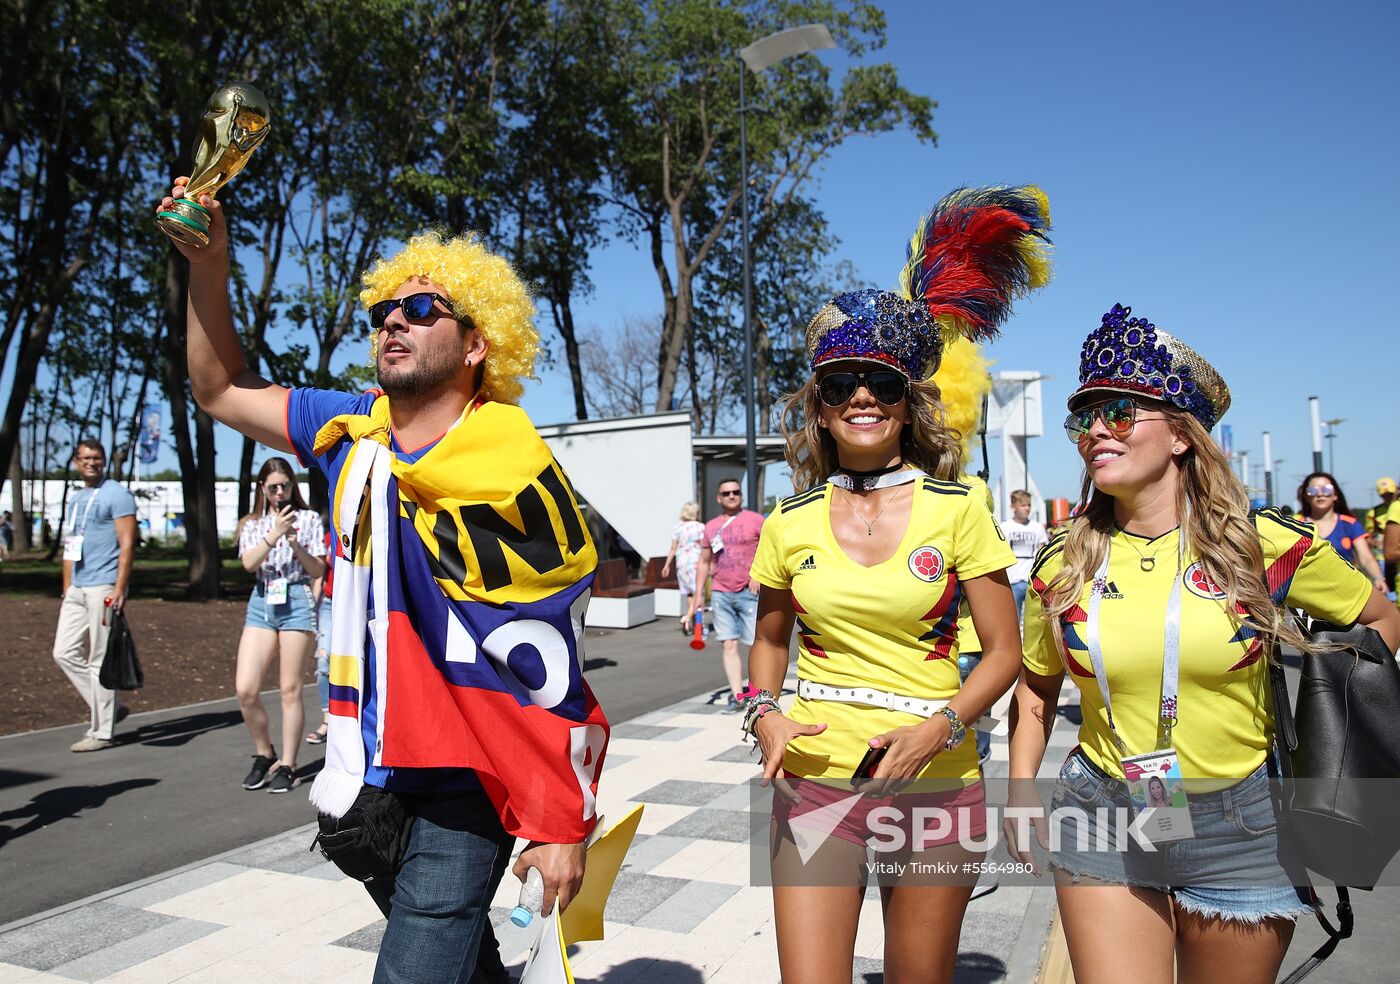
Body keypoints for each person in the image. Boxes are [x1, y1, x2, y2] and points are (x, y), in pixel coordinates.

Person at [160, 176, 606, 984]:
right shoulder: (346, 432)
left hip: (464, 782)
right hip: (363, 771)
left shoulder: (514, 473)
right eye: (383, 313)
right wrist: (209, 264)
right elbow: (218, 388)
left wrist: (561, 817)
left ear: (478, 345)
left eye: (424, 308)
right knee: (465, 968)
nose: (394, 320)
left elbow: (548, 660)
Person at [1007, 303, 1400, 984]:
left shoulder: (1265, 546)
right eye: (1086, 416)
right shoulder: (1061, 565)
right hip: (1101, 811)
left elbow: (1380, 617)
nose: (1097, 429)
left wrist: (1339, 719)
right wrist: (1017, 797)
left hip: (1245, 825)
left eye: (1122, 411)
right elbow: (1036, 694)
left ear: (1183, 435)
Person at [746, 185, 1050, 984]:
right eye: (842, 383)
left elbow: (1005, 655)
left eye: (882, 384)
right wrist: (764, 715)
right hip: (813, 779)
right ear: (818, 406)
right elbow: (769, 642)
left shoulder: (961, 508)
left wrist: (940, 729)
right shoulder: (789, 519)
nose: (863, 399)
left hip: (937, 783)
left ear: (909, 402)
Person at [234, 458, 326, 792]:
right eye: (272, 486)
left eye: (285, 485)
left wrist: (294, 541)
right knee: (246, 688)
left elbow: (317, 570)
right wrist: (273, 534)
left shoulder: (309, 519)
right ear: (262, 488)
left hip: (296, 603)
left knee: (290, 688)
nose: (279, 492)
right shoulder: (252, 524)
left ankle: (288, 763)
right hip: (262, 603)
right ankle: (264, 752)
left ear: (293, 486)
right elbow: (248, 563)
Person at [52, 440, 137, 752]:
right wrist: (67, 586)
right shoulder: (77, 498)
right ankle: (110, 709)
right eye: (86, 458)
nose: (92, 463)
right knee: (63, 652)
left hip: (103, 585)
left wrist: (119, 587)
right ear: (76, 461)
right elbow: (70, 545)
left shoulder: (117, 493)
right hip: (77, 586)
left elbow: (127, 543)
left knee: (98, 659)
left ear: (104, 460)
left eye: (97, 458)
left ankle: (102, 732)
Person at [693, 479, 764, 710]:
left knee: (755, 644)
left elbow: (770, 551)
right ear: (719, 498)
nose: (731, 496)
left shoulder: (756, 520)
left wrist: (759, 575)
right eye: (726, 493)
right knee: (728, 644)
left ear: (741, 495)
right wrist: (698, 597)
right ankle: (737, 695)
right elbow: (703, 562)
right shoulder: (711, 526)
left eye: (736, 492)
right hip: (721, 592)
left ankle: (756, 691)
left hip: (749, 591)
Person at [1294, 471, 1385, 592]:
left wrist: (1378, 578)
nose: (1320, 494)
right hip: (1307, 593)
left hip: (1344, 590)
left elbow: (1366, 558)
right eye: (1313, 490)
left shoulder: (1350, 524)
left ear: (1335, 495)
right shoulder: (1296, 524)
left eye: (1326, 489)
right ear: (1306, 496)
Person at [307, 525, 335, 746]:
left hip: (356, 605)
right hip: (329, 604)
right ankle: (327, 719)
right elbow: (320, 575)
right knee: (324, 661)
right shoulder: (328, 537)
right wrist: (312, 610)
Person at [1003, 489, 1048, 623]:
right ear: (1013, 507)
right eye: (1023, 505)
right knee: (1012, 619)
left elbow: (1041, 553)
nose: (1027, 508)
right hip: (1012, 580)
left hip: (1031, 581)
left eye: (1028, 505)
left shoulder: (1037, 528)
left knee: (1035, 620)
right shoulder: (1005, 527)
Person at [661, 502, 705, 632]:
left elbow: (673, 547)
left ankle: (692, 622)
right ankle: (690, 619)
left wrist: (667, 564)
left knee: (690, 594)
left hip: (681, 563)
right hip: (696, 562)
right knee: (699, 593)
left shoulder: (678, 527)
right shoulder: (700, 527)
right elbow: (704, 546)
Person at [1367, 476, 1396, 595]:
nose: (1387, 498)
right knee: (1388, 590)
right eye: (1384, 495)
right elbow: (1367, 537)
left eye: (1390, 494)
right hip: (1382, 557)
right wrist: (1376, 543)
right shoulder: (1373, 512)